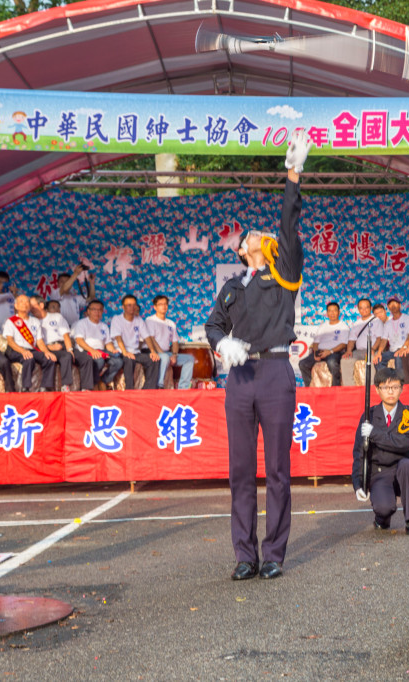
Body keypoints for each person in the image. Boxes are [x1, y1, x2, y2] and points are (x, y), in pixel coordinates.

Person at [204, 130, 310, 582]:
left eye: (261, 235)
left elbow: (287, 225)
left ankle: (274, 554)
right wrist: (219, 343)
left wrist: (293, 175)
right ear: (243, 250)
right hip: (240, 379)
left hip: (274, 372)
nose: (259, 235)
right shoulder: (232, 286)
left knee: (278, 470)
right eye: (252, 235)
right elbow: (213, 324)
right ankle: (244, 554)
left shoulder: (284, 274)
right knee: (241, 471)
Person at [351, 368, 409, 534]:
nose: (391, 391)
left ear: (401, 388)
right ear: (377, 390)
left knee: (408, 466)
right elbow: (359, 452)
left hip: (402, 469)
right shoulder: (369, 415)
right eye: (385, 387)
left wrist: (375, 434)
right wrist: (358, 483)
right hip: (380, 472)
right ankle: (382, 519)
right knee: (384, 508)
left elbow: (403, 443)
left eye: (395, 387)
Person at [2, 293, 57, 392]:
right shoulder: (10, 321)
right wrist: (22, 351)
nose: (25, 304)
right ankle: (25, 387)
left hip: (31, 350)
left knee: (50, 359)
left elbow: (39, 342)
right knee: (28, 358)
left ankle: (45, 387)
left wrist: (46, 352)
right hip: (15, 350)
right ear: (16, 306)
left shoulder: (35, 321)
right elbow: (10, 341)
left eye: (27, 302)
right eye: (21, 302)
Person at [110, 294, 161, 390]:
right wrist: (125, 352)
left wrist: (153, 351)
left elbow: (147, 337)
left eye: (134, 305)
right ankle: (130, 390)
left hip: (135, 352)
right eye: (129, 305)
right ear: (123, 307)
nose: (132, 307)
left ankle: (148, 389)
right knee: (129, 360)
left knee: (154, 360)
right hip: (121, 351)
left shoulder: (139, 320)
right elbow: (118, 337)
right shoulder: (117, 319)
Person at [73, 300, 124, 391]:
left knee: (118, 361)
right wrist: (92, 350)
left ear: (102, 311)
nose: (97, 312)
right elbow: (79, 341)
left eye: (99, 310)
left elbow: (108, 343)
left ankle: (103, 380)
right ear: (88, 311)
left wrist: (112, 350)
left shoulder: (104, 326)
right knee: (99, 360)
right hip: (86, 350)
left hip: (101, 351)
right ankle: (94, 384)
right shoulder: (82, 323)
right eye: (94, 309)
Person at [146, 295, 195, 390]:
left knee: (189, 359)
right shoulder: (150, 320)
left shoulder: (171, 323)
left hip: (166, 352)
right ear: (155, 307)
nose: (164, 306)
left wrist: (174, 355)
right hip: (153, 352)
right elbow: (151, 339)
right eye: (160, 304)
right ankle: (159, 386)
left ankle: (183, 387)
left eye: (165, 304)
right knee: (164, 357)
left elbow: (175, 342)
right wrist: (163, 354)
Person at [299, 301, 349, 386]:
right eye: (330, 311)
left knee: (332, 363)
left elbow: (344, 344)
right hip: (320, 352)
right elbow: (316, 342)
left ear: (339, 312)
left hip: (334, 352)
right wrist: (315, 353)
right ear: (327, 313)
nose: (332, 313)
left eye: (334, 310)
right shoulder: (323, 326)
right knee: (303, 364)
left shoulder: (343, 326)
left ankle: (335, 388)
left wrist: (330, 351)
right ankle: (310, 387)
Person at [373, 296, 409, 377]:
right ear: (388, 307)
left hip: (405, 349)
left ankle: (401, 383)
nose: (393, 305)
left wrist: (403, 348)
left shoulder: (407, 319)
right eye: (390, 304)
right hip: (392, 351)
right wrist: (379, 353)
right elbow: (384, 339)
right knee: (378, 360)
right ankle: (386, 381)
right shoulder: (388, 323)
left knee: (399, 356)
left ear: (400, 305)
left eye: (395, 303)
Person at [40, 299, 76, 392]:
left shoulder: (58, 317)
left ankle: (68, 386)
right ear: (46, 309)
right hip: (48, 347)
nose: (56, 309)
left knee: (74, 356)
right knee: (59, 357)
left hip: (63, 345)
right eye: (53, 307)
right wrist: (49, 347)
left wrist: (70, 349)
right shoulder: (37, 321)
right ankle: (50, 387)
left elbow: (66, 335)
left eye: (58, 307)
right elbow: (37, 342)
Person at [341, 298, 377, 384]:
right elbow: (351, 340)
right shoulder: (356, 323)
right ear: (358, 310)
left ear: (371, 308)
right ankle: (350, 389)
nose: (364, 310)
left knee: (370, 358)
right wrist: (349, 351)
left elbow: (380, 338)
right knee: (345, 360)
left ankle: (371, 387)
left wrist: (373, 349)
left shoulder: (377, 321)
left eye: (366, 307)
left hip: (372, 350)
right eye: (361, 308)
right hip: (358, 351)